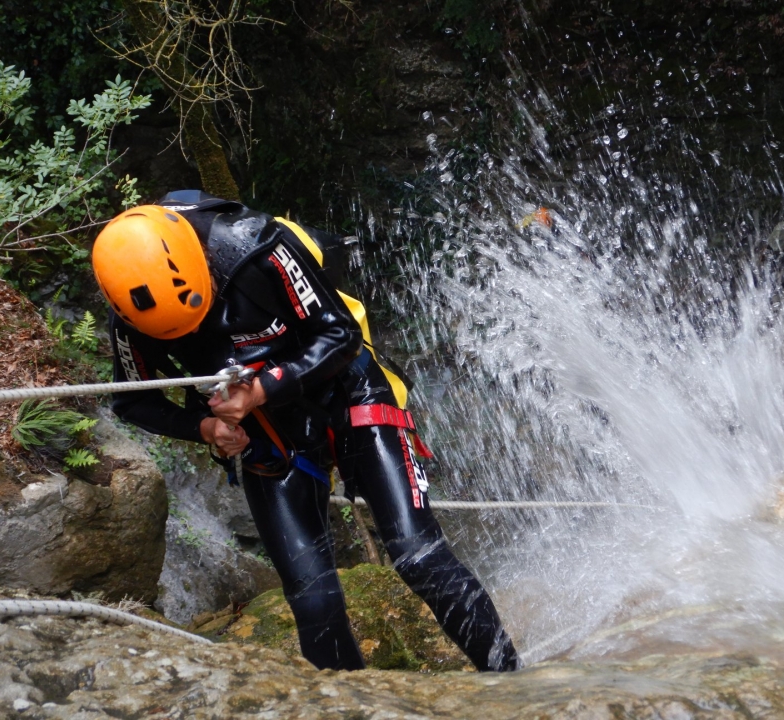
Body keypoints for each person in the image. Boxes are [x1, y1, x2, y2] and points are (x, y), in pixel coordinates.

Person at [91, 190, 521, 672]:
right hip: (268, 436)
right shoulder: (133, 313)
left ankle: (509, 680)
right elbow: (132, 400)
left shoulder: (257, 247)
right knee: (313, 600)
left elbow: (339, 334)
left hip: (347, 392)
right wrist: (206, 426)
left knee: (418, 556)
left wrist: (261, 390)